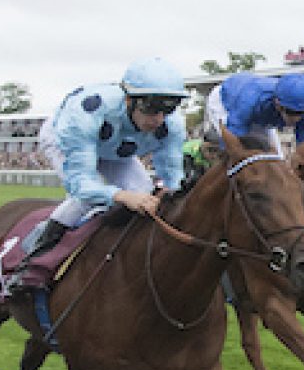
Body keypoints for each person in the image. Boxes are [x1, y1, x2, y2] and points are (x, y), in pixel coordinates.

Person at [11, 57, 189, 271]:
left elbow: (173, 182)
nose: (159, 118)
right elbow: (82, 186)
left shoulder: (173, 125)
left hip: (116, 151)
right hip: (67, 141)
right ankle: (30, 261)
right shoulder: (85, 114)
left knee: (145, 194)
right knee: (86, 201)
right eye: (152, 107)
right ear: (128, 100)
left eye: (169, 108)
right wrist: (122, 196)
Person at [204, 72, 304, 152]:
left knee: (277, 157)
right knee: (244, 151)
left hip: (260, 113)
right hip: (224, 103)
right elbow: (233, 137)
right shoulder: (249, 100)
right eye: (291, 112)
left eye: (301, 113)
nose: (296, 119)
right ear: (278, 103)